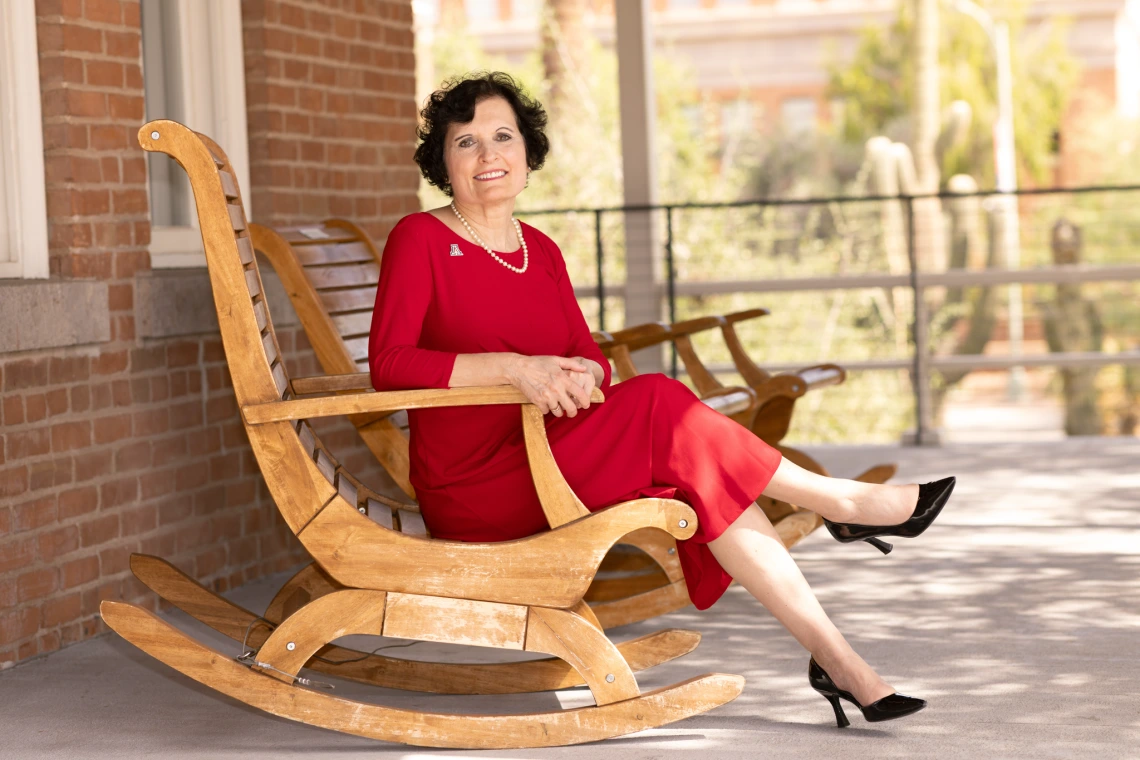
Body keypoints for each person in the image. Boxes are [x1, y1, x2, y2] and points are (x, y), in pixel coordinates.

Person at [368, 71, 954, 727]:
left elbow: (586, 354)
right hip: (479, 483)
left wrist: (581, 376)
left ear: (528, 154)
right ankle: (842, 503)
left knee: (703, 475)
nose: (488, 156)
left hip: (548, 453)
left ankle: (841, 662)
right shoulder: (420, 239)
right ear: (442, 162)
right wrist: (515, 370)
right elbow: (389, 366)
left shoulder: (542, 251)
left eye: (502, 137)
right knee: (658, 399)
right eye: (466, 142)